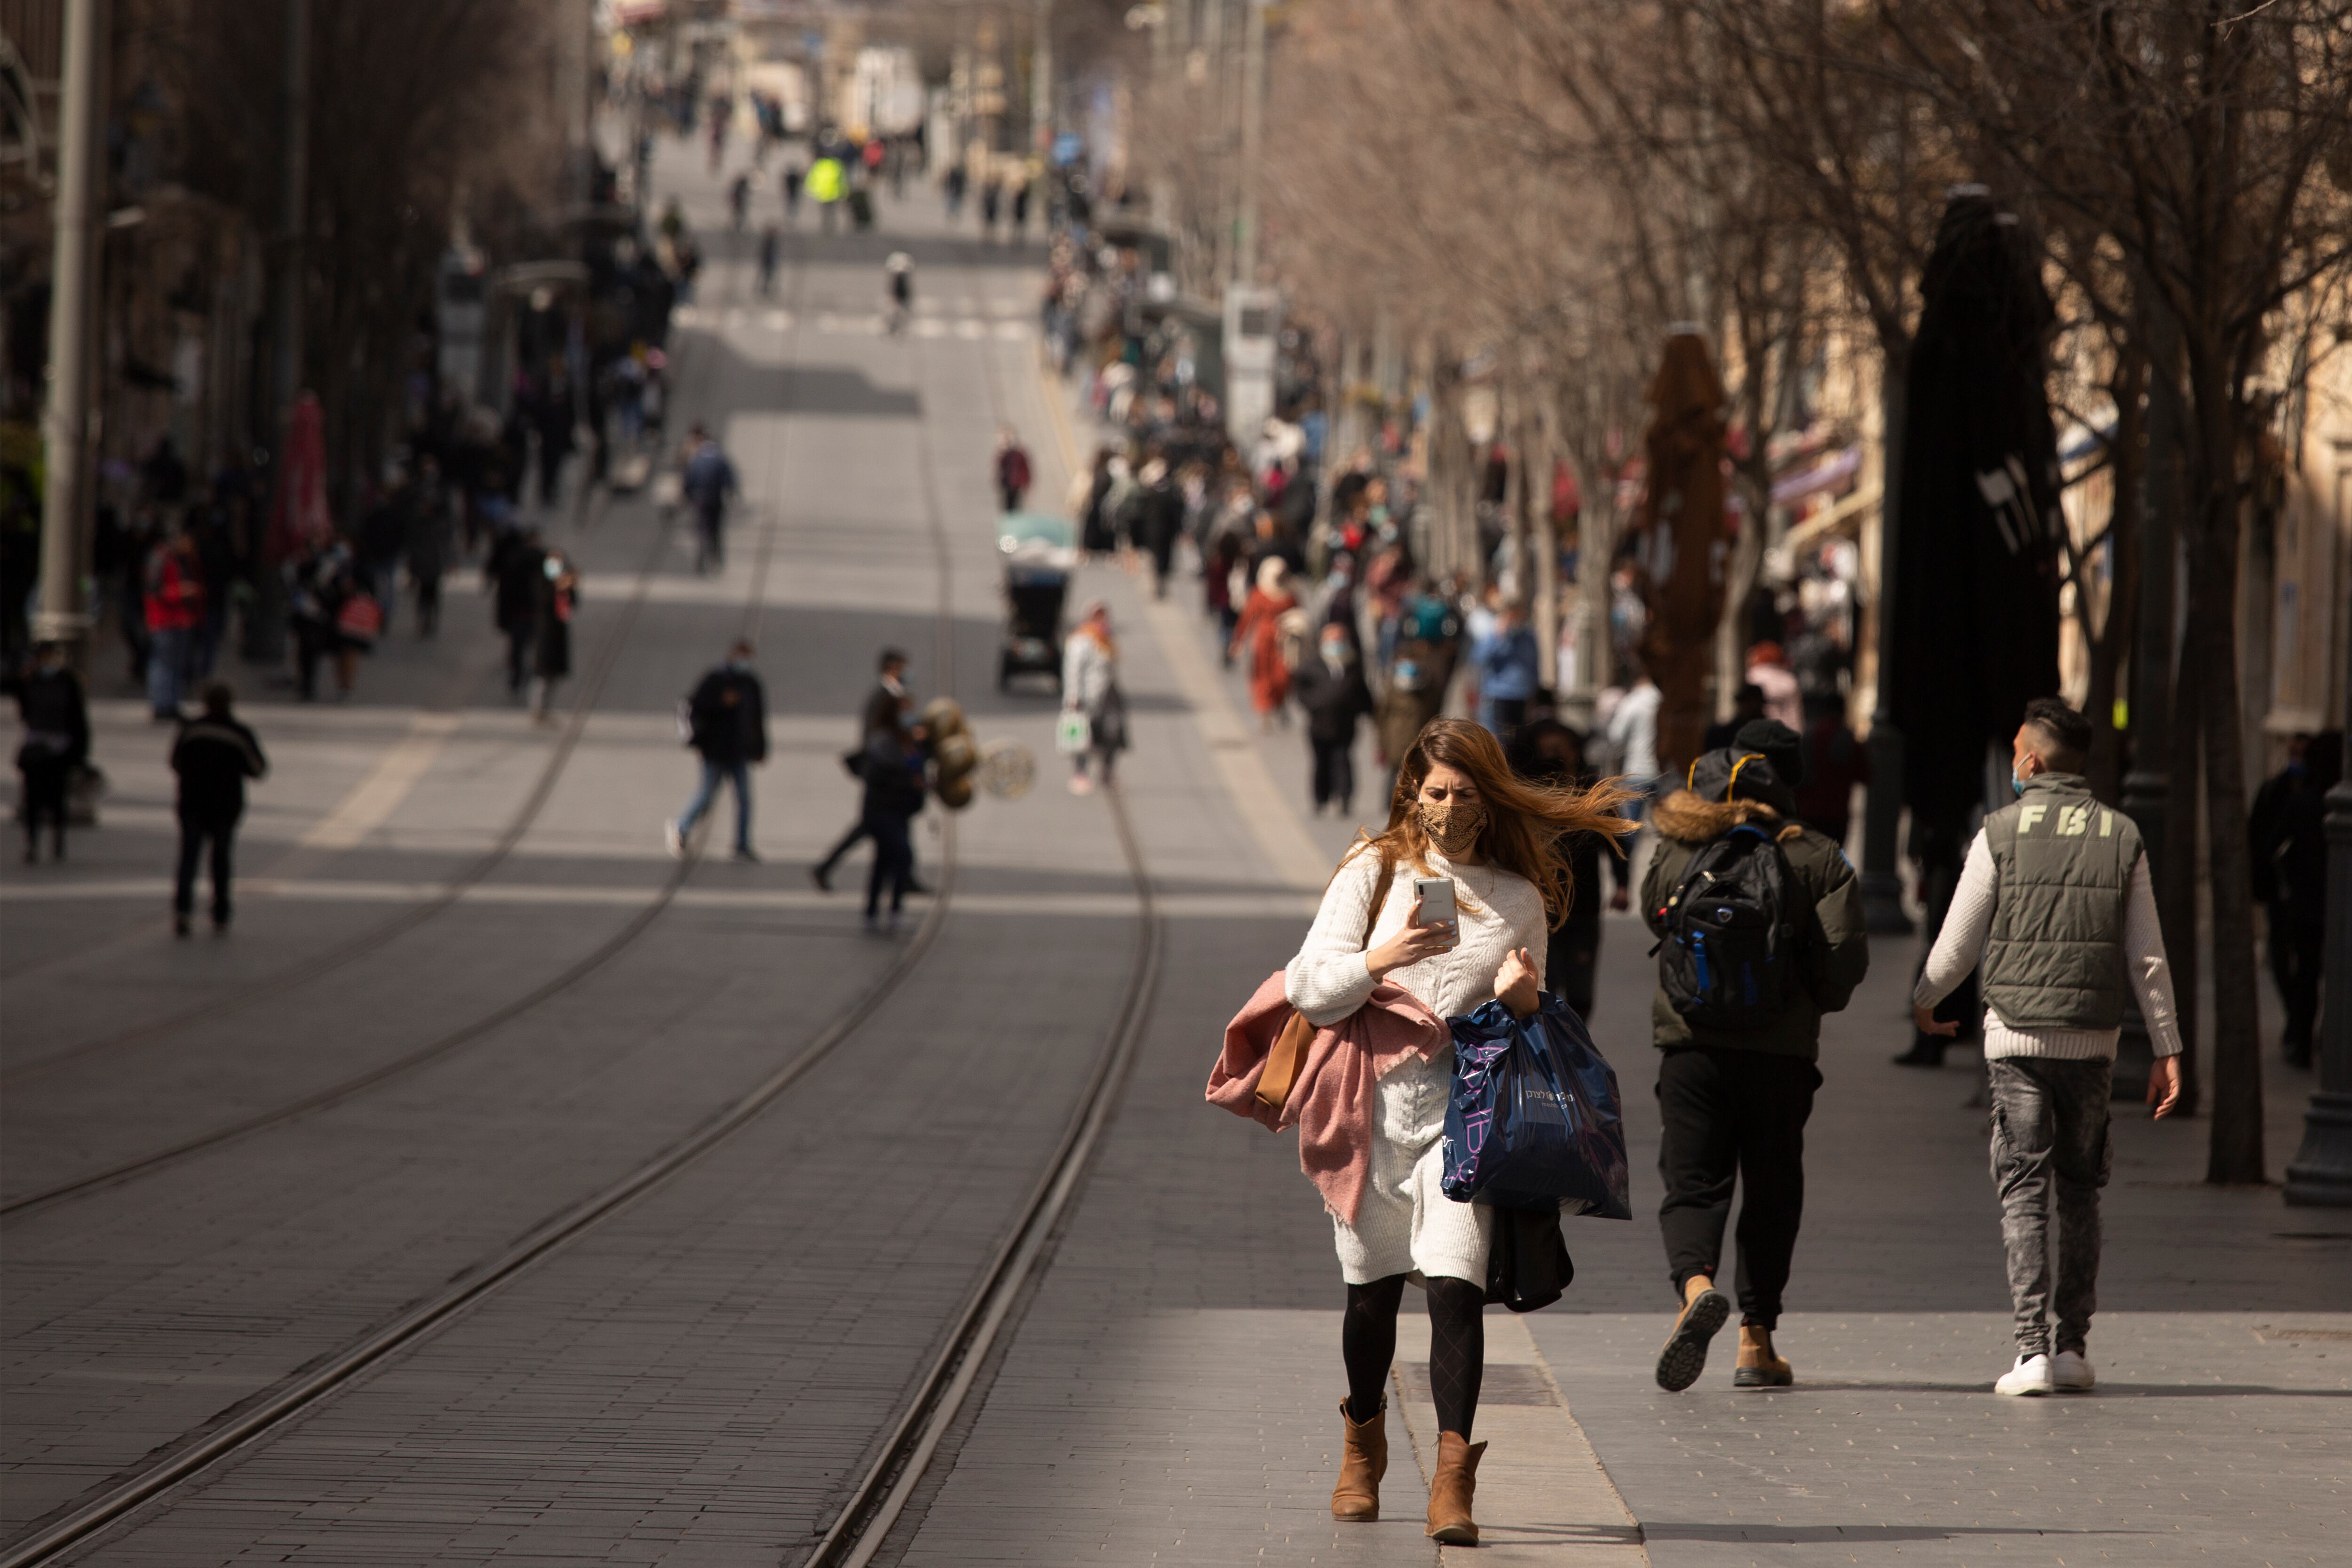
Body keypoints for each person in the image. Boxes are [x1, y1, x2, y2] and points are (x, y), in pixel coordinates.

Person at [1288, 719, 1634, 1544]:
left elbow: (1536, 1018)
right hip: (1371, 1113)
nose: (1448, 808)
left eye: (1467, 794)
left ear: (1490, 798)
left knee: (1455, 1286)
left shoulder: (1517, 898)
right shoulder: (1373, 871)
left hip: (1464, 1118)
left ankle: (1452, 1481)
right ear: (1412, 790)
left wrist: (1524, 1000)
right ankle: (1362, 1445)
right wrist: (1386, 954)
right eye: (1436, 792)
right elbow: (1309, 987)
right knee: (1370, 1296)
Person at [1912, 698, 2185, 1396]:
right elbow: (2147, 954)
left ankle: (2029, 1351)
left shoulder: (1998, 830)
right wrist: (2167, 1046)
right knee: (2082, 1189)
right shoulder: (2123, 836)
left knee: (2023, 1191)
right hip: (2092, 1040)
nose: (2011, 763)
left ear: (2030, 759)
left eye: (2014, 751)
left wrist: (1925, 999)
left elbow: (1958, 941)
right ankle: (2072, 1348)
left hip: (2017, 1037)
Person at [1641, 722, 1870, 1393]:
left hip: (1690, 1046)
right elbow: (1844, 964)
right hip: (1779, 1053)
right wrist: (1806, 1002)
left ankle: (1695, 1289)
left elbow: (1660, 920)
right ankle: (1755, 1339)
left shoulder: (1682, 848)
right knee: (1772, 1188)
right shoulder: (1820, 857)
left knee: (1692, 1181)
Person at [1509, 719, 1630, 1019]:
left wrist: (1623, 884)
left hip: (1584, 907)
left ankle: (1574, 1051)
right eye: (1547, 752)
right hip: (1539, 909)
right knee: (1544, 989)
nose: (1554, 758)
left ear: (1576, 752)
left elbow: (1616, 842)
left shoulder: (1594, 792)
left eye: (1560, 750)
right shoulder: (1527, 796)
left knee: (1580, 992)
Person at [2249, 732, 2340, 1068]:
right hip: (2304, 905)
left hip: (2304, 905)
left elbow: (2273, 846)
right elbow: (2267, 844)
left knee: (2307, 973)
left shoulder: (2307, 803)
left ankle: (2305, 1038)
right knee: (2306, 971)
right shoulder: (2286, 795)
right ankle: (2305, 1035)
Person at [813, 648, 925, 891]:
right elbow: (874, 737)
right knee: (875, 825)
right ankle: (826, 867)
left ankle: (905, 877)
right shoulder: (883, 697)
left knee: (887, 825)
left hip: (889, 774)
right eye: (903, 668)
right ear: (892, 669)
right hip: (884, 775)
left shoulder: (892, 695)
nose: (907, 673)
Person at [169, 681, 268, 936]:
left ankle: (183, 910)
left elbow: (176, 762)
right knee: (221, 859)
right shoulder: (239, 733)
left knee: (189, 857)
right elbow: (258, 769)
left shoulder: (192, 730)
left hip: (191, 802)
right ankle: (221, 913)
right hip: (226, 805)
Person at [667, 640, 769, 862]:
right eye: (743, 657)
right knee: (706, 795)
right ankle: (681, 827)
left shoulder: (751, 684)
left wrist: (760, 749)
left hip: (738, 753)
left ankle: (742, 845)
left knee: (744, 799)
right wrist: (722, 703)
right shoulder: (715, 680)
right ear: (733, 656)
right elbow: (696, 708)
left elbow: (758, 719)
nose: (745, 663)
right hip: (714, 751)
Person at [8, 641, 88, 862]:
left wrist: (79, 754)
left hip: (59, 750)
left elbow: (78, 720)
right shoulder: (30, 681)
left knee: (57, 798)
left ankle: (58, 842)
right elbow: (23, 708)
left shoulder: (67, 682)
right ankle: (32, 844)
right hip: (35, 749)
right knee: (32, 799)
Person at [857, 703, 926, 933]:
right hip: (881, 813)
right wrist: (910, 783)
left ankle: (875, 911)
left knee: (884, 862)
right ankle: (890, 909)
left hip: (900, 813)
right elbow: (879, 779)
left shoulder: (914, 745)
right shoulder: (883, 745)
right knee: (904, 856)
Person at [1292, 622, 1373, 818]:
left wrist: (1368, 712)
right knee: (1322, 763)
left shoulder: (1353, 665)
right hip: (1319, 726)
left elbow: (1363, 694)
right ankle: (1321, 799)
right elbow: (1300, 690)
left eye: (1339, 640)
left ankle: (1345, 798)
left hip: (1345, 726)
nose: (1335, 644)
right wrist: (1314, 704)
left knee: (1343, 761)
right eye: (1332, 640)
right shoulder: (1312, 665)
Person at [1794, 689, 1870, 856]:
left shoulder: (1809, 735)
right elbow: (1865, 775)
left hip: (1810, 812)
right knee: (1834, 863)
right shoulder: (1846, 737)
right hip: (1837, 814)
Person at [1061, 602, 1125, 795]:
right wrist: (1074, 697)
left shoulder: (1106, 639)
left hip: (1108, 694)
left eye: (1104, 616)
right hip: (1086, 697)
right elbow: (1073, 671)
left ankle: (1108, 772)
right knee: (1082, 735)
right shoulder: (1081, 640)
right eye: (1097, 616)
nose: (1102, 621)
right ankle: (1080, 773)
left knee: (1113, 733)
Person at [143, 528, 206, 720]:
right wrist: (180, 592)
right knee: (163, 663)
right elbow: (154, 590)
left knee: (175, 665)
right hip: (165, 619)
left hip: (179, 620)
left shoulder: (181, 560)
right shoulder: (161, 558)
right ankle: (161, 704)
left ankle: (171, 703)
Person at [1230, 557, 1299, 733]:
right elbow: (1247, 618)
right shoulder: (1258, 594)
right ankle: (1265, 712)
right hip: (1263, 641)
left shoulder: (1291, 594)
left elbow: (1299, 616)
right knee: (1262, 676)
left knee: (1283, 675)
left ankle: (1280, 702)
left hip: (1284, 640)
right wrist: (1238, 641)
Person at [1470, 599, 1540, 741]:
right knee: (1498, 739)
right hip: (1499, 694)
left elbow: (1534, 664)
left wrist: (1535, 689)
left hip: (1522, 695)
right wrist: (1497, 637)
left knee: (1521, 740)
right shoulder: (1495, 636)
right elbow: (1478, 658)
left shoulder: (1528, 636)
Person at [491, 525, 546, 698]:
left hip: (518, 613)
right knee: (533, 645)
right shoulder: (542, 558)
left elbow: (504, 591)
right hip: (534, 612)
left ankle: (517, 676)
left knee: (517, 647)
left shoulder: (513, 559)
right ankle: (529, 673)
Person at [1605, 662, 1663, 818]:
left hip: (1637, 772)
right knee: (1666, 827)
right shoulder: (1664, 701)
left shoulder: (1631, 703)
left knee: (1630, 827)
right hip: (1662, 771)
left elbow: (1615, 735)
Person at [682, 424, 739, 574]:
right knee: (716, 530)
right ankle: (717, 560)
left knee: (702, 529)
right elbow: (730, 480)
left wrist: (686, 497)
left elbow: (689, 480)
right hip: (716, 498)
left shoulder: (697, 459)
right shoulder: (720, 459)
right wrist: (732, 495)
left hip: (700, 499)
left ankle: (701, 559)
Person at [532, 549, 579, 725]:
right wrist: (557, 586)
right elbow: (541, 600)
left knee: (553, 676)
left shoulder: (565, 582)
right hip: (545, 633)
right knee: (543, 675)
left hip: (559, 634)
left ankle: (546, 710)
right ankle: (538, 710)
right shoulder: (543, 581)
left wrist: (570, 586)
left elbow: (572, 604)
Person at [1745, 641, 1802, 729]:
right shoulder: (1789, 680)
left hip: (1759, 732)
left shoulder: (1753, 677)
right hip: (1786, 732)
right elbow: (1795, 714)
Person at [1701, 682, 1767, 755]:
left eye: (1754, 703)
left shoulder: (1768, 736)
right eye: (1748, 703)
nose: (1751, 707)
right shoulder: (1719, 735)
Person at [994, 427, 1033, 513]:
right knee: (1007, 508)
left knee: (1016, 508)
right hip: (1007, 485)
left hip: (1016, 485)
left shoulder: (1019, 454)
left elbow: (1024, 470)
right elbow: (1000, 467)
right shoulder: (1003, 454)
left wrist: (1025, 484)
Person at [884, 252, 914, 333]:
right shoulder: (898, 277)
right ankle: (893, 330)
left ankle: (897, 330)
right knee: (895, 313)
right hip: (899, 295)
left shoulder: (900, 276)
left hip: (902, 295)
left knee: (900, 313)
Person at [757, 224, 781, 296]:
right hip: (768, 261)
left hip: (770, 261)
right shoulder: (769, 242)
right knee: (767, 276)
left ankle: (768, 289)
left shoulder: (772, 241)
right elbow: (765, 252)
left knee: (769, 276)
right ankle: (766, 289)